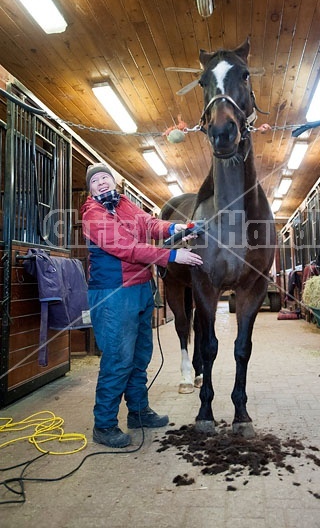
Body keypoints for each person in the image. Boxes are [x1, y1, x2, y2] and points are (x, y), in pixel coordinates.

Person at [81, 163, 203, 448]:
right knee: (118, 358)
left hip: (139, 289)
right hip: (113, 294)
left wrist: (179, 227)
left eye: (105, 178)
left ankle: (138, 412)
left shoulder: (125, 204)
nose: (101, 183)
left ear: (114, 182)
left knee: (140, 355)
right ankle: (105, 424)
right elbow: (126, 248)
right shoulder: (93, 214)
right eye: (95, 180)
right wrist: (172, 256)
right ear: (90, 188)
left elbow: (150, 225)